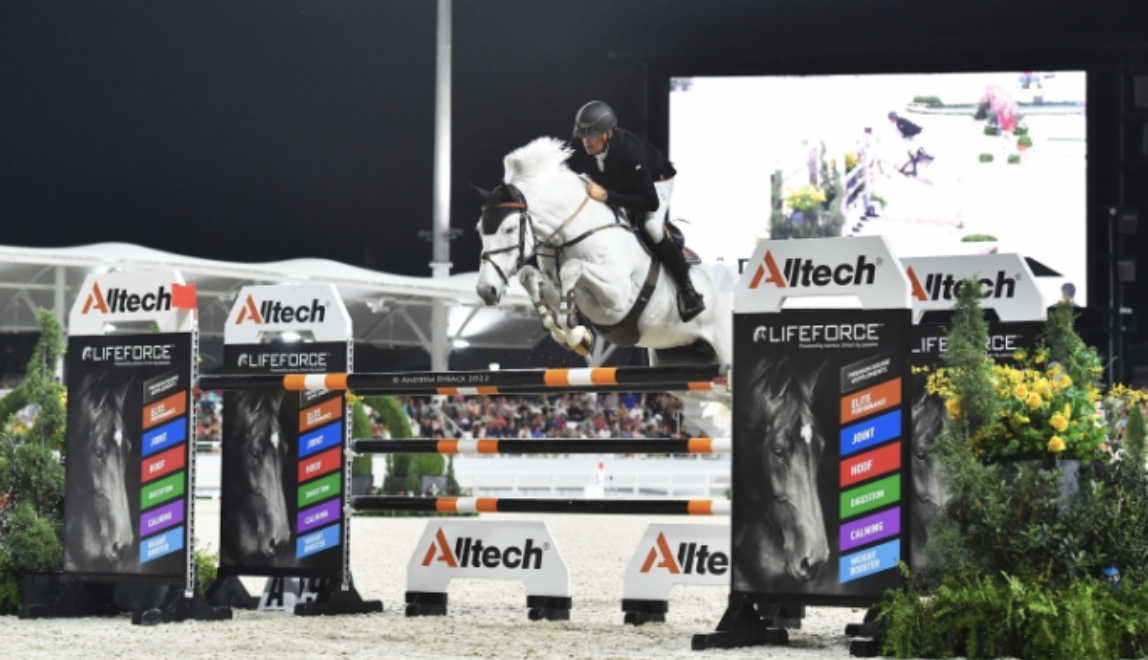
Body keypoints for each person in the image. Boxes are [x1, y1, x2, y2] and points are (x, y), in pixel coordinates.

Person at [566, 100, 705, 322]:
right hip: (622, 181)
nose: (587, 142)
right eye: (583, 136)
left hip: (656, 182)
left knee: (651, 227)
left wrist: (607, 196)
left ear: (608, 133)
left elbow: (650, 202)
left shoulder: (628, 151)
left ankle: (689, 292)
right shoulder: (585, 146)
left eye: (592, 135)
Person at [888, 111, 933, 177]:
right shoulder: (900, 121)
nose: (890, 120)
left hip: (919, 136)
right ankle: (915, 170)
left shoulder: (900, 122)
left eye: (890, 118)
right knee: (914, 154)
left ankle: (914, 171)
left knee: (912, 154)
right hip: (919, 135)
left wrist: (904, 134)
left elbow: (910, 131)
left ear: (894, 117)